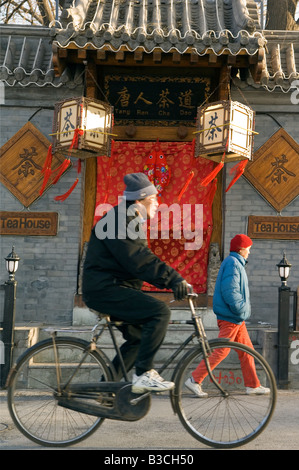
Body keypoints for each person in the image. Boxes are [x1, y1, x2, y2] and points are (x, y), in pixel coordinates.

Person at [82, 172, 189, 394]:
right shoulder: (119, 220)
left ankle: (105, 389)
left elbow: (139, 257)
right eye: (154, 199)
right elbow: (138, 259)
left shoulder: (126, 219)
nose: (158, 204)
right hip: (105, 289)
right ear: (139, 200)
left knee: (140, 338)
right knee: (159, 311)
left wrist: (172, 279)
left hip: (113, 287)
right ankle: (143, 373)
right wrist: (173, 279)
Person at [185, 234, 270, 397]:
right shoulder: (233, 263)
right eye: (248, 249)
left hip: (235, 317)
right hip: (231, 317)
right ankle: (194, 380)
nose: (249, 253)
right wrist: (241, 308)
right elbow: (230, 291)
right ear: (241, 249)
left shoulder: (235, 263)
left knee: (247, 350)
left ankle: (252, 385)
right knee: (221, 350)